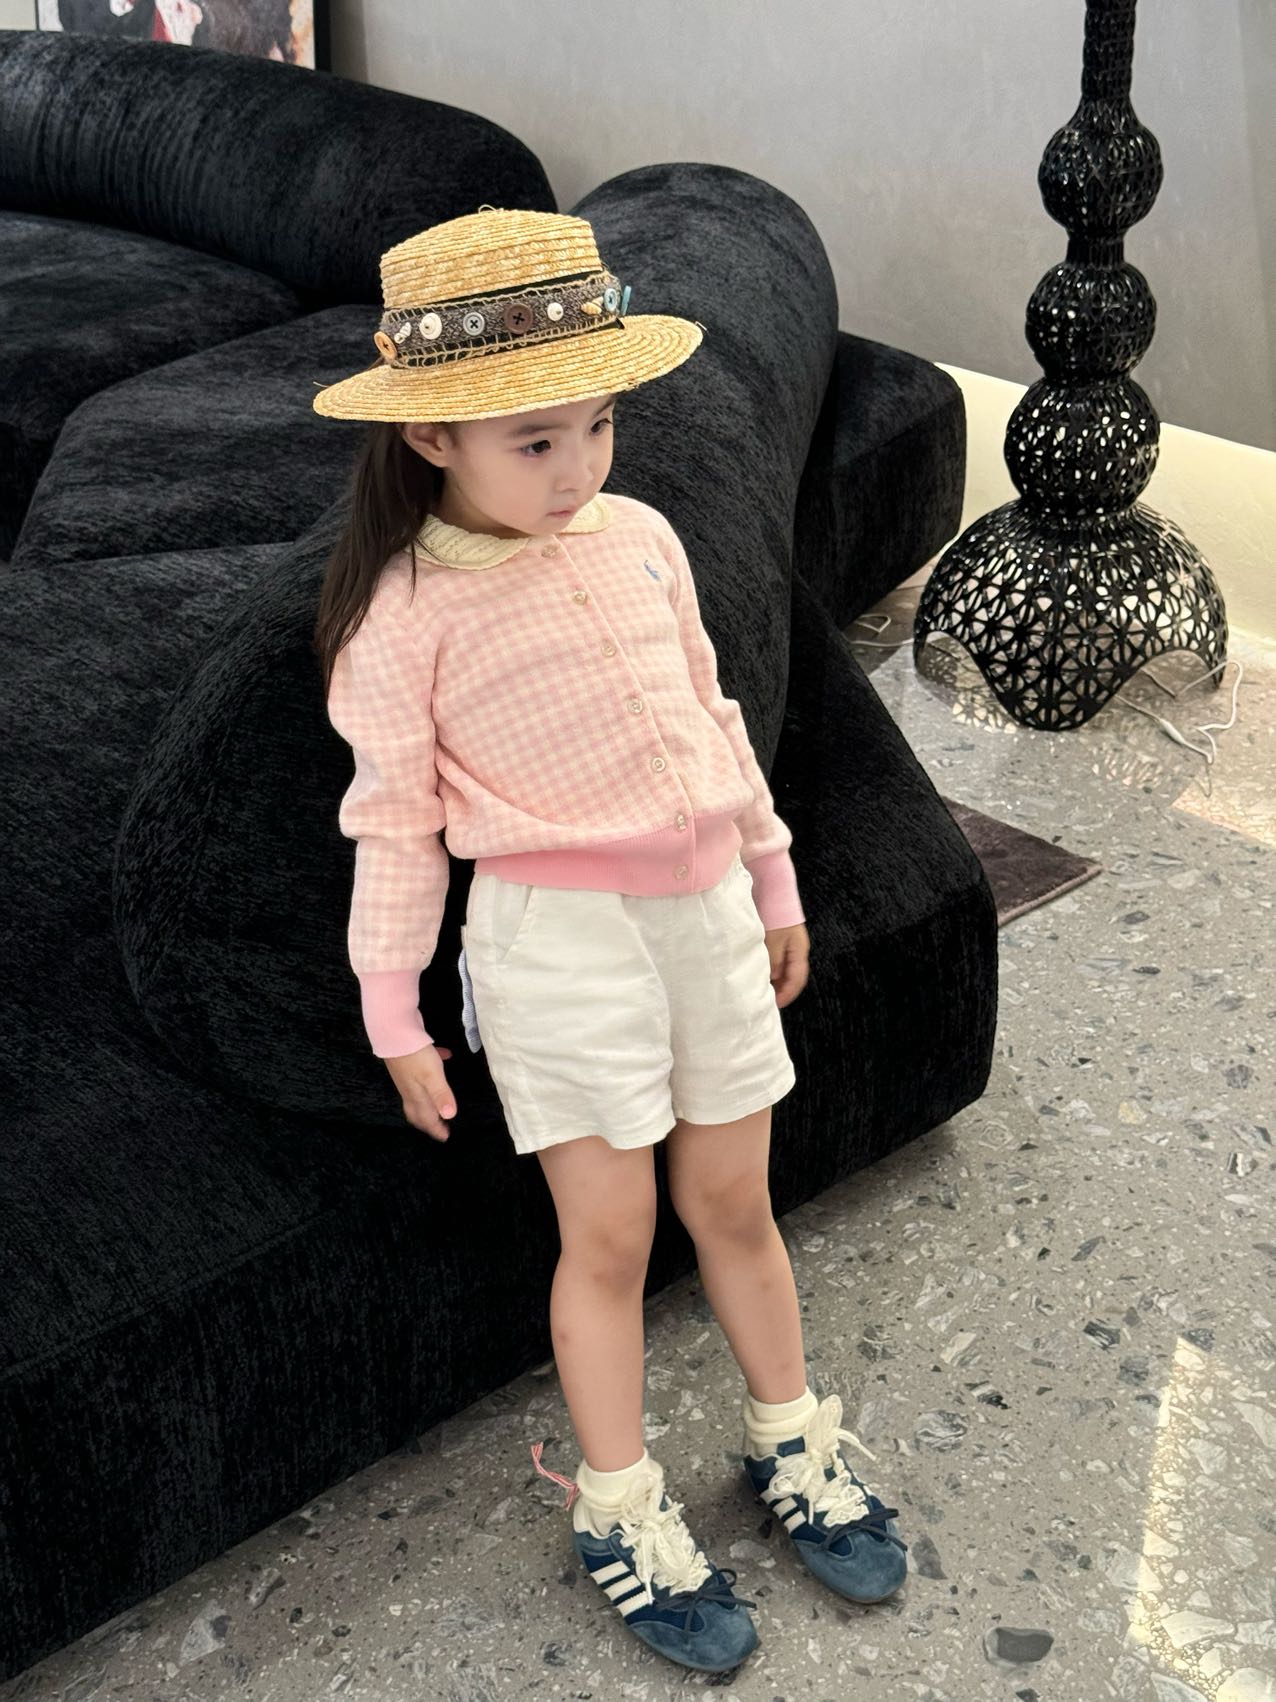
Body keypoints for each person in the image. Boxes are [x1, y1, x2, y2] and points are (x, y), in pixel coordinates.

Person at [310, 206, 908, 1675]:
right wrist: (393, 1011)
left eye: (597, 426)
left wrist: (773, 881)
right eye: (535, 441)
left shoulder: (640, 537)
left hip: (705, 916)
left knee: (735, 1197)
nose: (578, 467)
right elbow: (395, 828)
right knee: (613, 1234)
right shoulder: (402, 616)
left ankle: (790, 1436)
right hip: (558, 945)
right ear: (432, 434)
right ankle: (619, 1504)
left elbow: (711, 720)